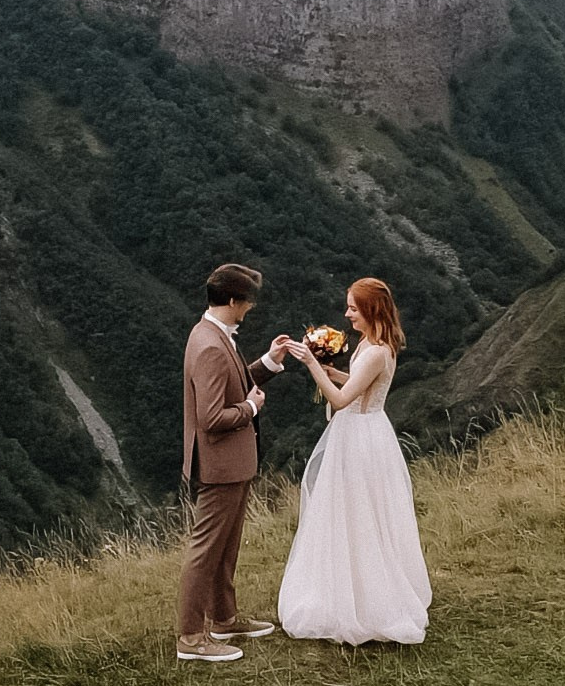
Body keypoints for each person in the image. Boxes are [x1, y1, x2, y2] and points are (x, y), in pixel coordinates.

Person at [278, 277, 432, 645]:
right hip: (363, 433)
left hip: (361, 437)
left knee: (361, 514)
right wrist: (337, 372)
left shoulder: (378, 350)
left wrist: (313, 364)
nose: (347, 314)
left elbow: (342, 400)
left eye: (352, 307)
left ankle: (367, 602)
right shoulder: (372, 345)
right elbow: (362, 386)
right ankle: (358, 592)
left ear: (369, 310)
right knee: (352, 513)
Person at [177, 262, 295, 663]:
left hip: (231, 465)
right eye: (246, 303)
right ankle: (191, 636)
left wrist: (270, 361)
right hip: (220, 465)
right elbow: (212, 418)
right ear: (232, 301)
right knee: (206, 549)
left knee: (225, 548)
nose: (249, 310)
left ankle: (224, 619)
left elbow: (234, 378)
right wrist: (249, 406)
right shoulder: (210, 344)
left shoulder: (210, 334)